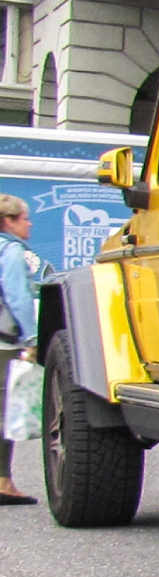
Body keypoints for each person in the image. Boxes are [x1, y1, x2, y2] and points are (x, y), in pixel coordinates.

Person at [0, 194, 45, 506]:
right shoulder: (12, 251)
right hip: (3, 342)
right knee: (5, 412)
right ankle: (3, 481)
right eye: (24, 218)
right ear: (9, 221)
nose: (29, 223)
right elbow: (17, 297)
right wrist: (31, 338)